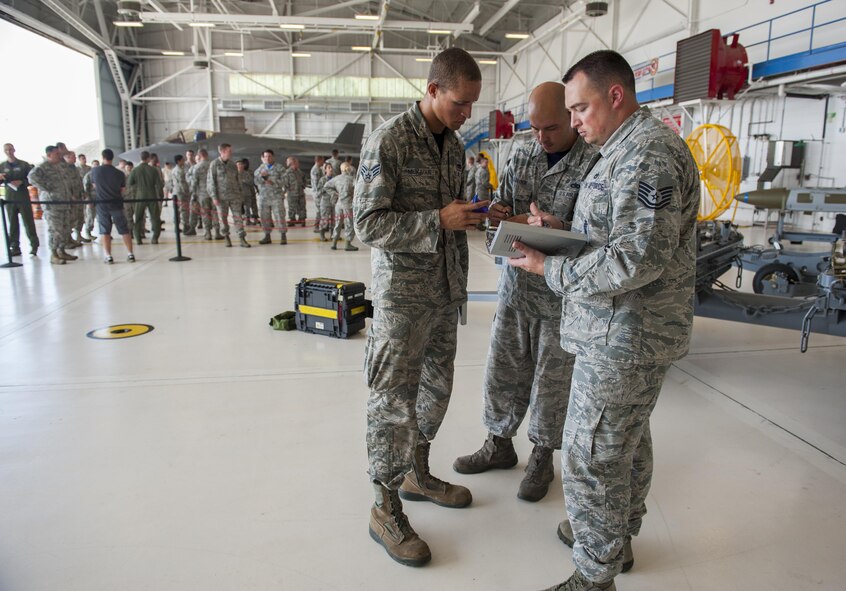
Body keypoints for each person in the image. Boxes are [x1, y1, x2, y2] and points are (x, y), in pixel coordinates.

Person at [507, 50, 700, 591]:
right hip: (623, 331)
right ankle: (615, 540)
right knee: (625, 442)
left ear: (615, 96)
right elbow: (621, 236)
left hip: (627, 334)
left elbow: (637, 259)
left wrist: (551, 265)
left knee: (593, 453)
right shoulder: (624, 149)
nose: (574, 122)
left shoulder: (646, 155)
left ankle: (595, 576)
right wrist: (562, 228)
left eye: (580, 108)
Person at [353, 47, 488, 567]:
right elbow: (366, 224)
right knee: (392, 401)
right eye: (460, 103)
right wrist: (438, 220)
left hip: (444, 290)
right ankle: (384, 506)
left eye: (473, 104)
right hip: (402, 299)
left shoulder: (452, 144)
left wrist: (474, 214)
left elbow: (449, 212)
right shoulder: (388, 139)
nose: (466, 114)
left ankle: (417, 471)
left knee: (435, 389)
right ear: (432, 90)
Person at [453, 82, 597, 503]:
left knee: (552, 380)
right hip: (517, 286)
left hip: (561, 294)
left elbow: (594, 235)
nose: (541, 137)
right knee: (504, 369)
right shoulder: (523, 154)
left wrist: (557, 227)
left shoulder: (593, 163)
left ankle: (541, 455)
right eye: (534, 128)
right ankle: (498, 443)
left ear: (571, 118)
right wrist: (498, 212)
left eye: (550, 128)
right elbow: (504, 210)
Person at [27, 145, 74, 264]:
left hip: (65, 202)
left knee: (65, 228)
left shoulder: (61, 166)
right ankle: (54, 254)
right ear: (49, 155)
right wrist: (46, 187)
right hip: (52, 205)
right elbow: (31, 177)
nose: (59, 156)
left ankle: (62, 251)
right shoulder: (43, 167)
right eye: (56, 154)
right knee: (55, 230)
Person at [89, 148, 135, 264]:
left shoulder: (95, 171)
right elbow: (123, 189)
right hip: (116, 204)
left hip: (102, 204)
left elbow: (94, 186)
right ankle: (130, 254)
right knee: (124, 229)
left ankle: (108, 256)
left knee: (105, 231)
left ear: (102, 157)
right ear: (112, 158)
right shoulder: (119, 173)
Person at [207, 143, 250, 248]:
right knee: (223, 219)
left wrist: (240, 194)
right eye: (229, 151)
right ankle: (226, 237)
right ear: (222, 151)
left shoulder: (232, 164)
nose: (231, 153)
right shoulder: (214, 164)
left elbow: (238, 179)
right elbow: (210, 182)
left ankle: (241, 238)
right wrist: (214, 197)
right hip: (221, 198)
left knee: (238, 217)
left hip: (234, 196)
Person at [0, 143, 39, 257]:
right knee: (12, 223)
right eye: (6, 150)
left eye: (10, 149)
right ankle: (15, 247)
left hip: (23, 196)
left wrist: (22, 182)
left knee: (28, 222)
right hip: (10, 197)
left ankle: (34, 245)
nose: (9, 151)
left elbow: (32, 178)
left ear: (14, 150)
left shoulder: (23, 165)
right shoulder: (2, 166)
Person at [127, 151, 163, 245]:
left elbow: (130, 183)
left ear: (141, 158)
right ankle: (155, 238)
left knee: (138, 218)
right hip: (152, 196)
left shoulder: (135, 170)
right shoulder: (153, 170)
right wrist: (160, 196)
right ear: (148, 159)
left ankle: (138, 239)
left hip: (140, 196)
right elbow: (159, 185)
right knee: (155, 218)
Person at [254, 149, 287, 245]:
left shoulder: (280, 168)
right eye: (265, 156)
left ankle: (283, 236)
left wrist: (271, 180)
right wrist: (263, 178)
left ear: (273, 157)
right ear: (263, 158)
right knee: (265, 217)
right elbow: (255, 180)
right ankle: (267, 236)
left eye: (269, 156)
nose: (267, 158)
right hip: (264, 197)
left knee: (280, 216)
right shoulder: (260, 169)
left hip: (276, 197)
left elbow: (284, 181)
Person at [189, 149, 222, 240]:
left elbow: (194, 183)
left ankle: (208, 233)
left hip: (202, 194)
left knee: (205, 213)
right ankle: (217, 232)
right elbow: (219, 179)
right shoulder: (213, 165)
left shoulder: (196, 167)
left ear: (199, 156)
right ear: (207, 154)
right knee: (215, 213)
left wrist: (193, 195)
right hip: (214, 193)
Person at [324, 161, 357, 251]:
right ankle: (348, 244)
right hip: (348, 205)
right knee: (349, 224)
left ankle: (334, 243)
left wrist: (335, 194)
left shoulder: (336, 179)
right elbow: (358, 189)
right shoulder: (352, 179)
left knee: (338, 224)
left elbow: (326, 186)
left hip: (338, 205)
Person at [282, 156, 308, 226]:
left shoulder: (300, 172)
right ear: (292, 163)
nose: (298, 164)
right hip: (292, 194)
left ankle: (302, 219)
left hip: (300, 193)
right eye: (296, 162)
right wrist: (287, 191)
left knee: (302, 207)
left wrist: (303, 186)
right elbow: (285, 183)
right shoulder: (287, 173)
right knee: (291, 207)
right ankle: (292, 219)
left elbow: (304, 180)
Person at [168, 155, 191, 233]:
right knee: (184, 210)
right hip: (181, 193)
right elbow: (182, 183)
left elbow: (170, 182)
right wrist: (187, 192)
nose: (184, 161)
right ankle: (186, 227)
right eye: (182, 160)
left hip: (175, 192)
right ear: (178, 161)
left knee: (177, 211)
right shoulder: (180, 171)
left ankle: (177, 227)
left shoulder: (173, 170)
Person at [315, 162, 335, 242]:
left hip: (334, 202)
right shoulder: (322, 180)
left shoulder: (335, 179)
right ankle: (322, 235)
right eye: (329, 167)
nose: (331, 169)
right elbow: (318, 192)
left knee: (334, 220)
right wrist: (325, 187)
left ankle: (333, 235)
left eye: (331, 167)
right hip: (325, 202)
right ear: (325, 170)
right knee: (324, 219)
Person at [236, 159, 257, 227]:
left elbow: (251, 182)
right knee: (237, 208)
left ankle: (248, 220)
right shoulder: (234, 174)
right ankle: (239, 221)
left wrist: (244, 181)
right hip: (238, 194)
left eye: (241, 164)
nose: (240, 166)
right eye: (238, 165)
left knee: (247, 208)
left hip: (247, 194)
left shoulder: (247, 173)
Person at [310, 155, 326, 232]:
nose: (323, 162)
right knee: (319, 210)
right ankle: (316, 227)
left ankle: (320, 226)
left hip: (318, 193)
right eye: (322, 160)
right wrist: (321, 192)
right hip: (318, 194)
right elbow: (317, 184)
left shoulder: (318, 169)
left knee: (320, 210)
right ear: (319, 160)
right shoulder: (316, 170)